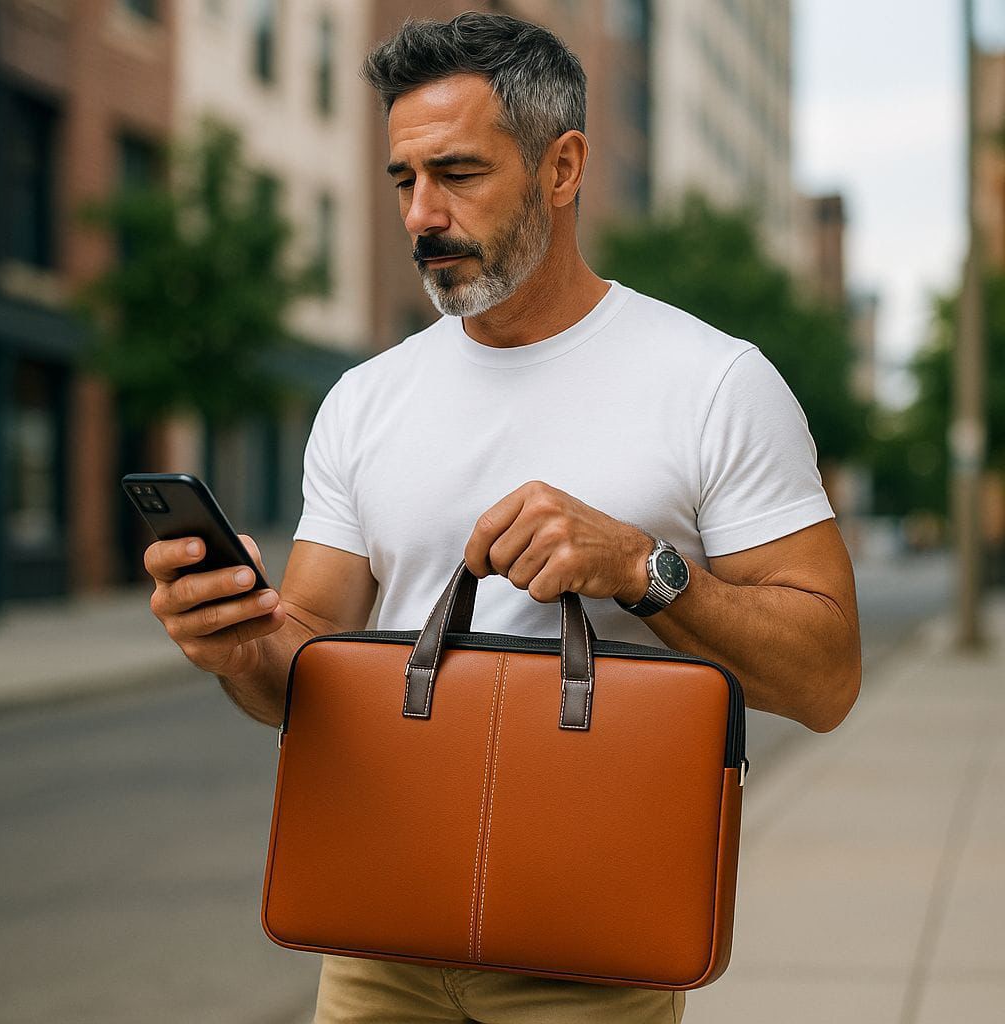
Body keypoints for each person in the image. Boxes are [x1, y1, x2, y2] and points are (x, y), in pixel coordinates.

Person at [143, 12, 861, 1023]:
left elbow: (826, 677)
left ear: (561, 167)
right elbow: (299, 667)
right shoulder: (364, 399)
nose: (421, 214)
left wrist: (643, 567)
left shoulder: (714, 383)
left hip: (591, 944)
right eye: (403, 180)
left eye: (458, 173)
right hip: (375, 932)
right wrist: (237, 640)